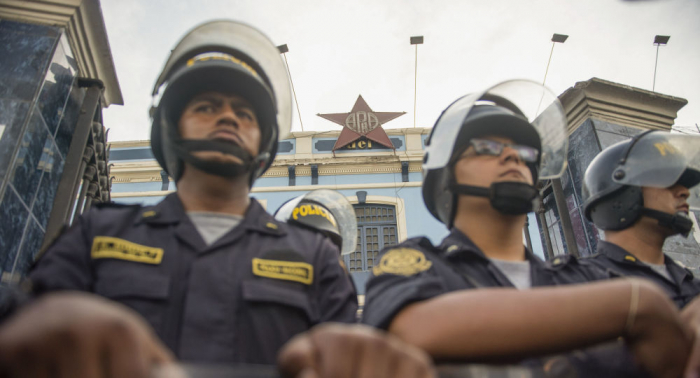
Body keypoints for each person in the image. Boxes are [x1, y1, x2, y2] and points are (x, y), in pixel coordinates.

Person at [0, 20, 435, 378]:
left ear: (263, 141)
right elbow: (25, 324)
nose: (228, 115)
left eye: (245, 113)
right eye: (207, 106)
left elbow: (350, 355)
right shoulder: (99, 232)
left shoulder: (315, 256)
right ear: (171, 127)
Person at [361, 80, 694, 377]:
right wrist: (634, 304)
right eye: (487, 148)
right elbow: (411, 330)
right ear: (446, 176)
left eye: (524, 152)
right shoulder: (418, 262)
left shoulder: (584, 277)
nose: (513, 158)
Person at [581, 131, 700, 375]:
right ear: (623, 193)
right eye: (666, 181)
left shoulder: (694, 286)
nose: (684, 192)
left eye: (684, 185)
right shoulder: (579, 283)